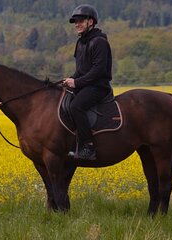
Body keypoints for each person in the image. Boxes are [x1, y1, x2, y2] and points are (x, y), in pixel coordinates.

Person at [63, 4, 113, 160]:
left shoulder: (99, 42)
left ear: (90, 22)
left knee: (76, 106)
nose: (77, 24)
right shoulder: (81, 42)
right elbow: (81, 69)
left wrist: (77, 83)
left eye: (80, 21)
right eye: (75, 22)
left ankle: (88, 147)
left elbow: (98, 71)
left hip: (98, 86)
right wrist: (69, 80)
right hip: (86, 84)